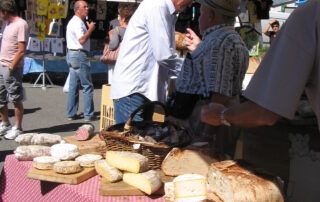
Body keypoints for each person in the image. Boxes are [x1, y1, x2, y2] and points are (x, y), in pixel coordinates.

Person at [200, 0, 320, 199]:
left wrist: (220, 115)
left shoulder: (309, 16)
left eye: (202, 13)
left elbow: (265, 111)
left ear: (212, 15)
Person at [171, 0, 248, 154]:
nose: (199, 18)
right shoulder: (226, 38)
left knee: (201, 169)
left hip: (207, 120)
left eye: (202, 13)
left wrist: (206, 137)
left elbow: (220, 95)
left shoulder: (221, 43)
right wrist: (200, 49)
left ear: (211, 15)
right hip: (211, 116)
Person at [111, 0, 193, 124]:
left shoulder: (165, 10)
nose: (191, 4)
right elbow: (163, 55)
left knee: (141, 138)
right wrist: (192, 70)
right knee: (132, 139)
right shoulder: (157, 6)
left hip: (143, 89)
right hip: (134, 90)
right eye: (190, 0)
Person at [0, 0, 28, 139]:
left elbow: (21, 50)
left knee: (15, 98)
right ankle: (5, 123)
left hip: (12, 67)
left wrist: (11, 66)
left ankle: (18, 127)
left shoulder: (21, 24)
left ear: (5, 12)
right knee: (1, 98)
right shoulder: (7, 24)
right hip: (2, 65)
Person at [66, 0, 95, 121]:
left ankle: (71, 113)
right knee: (87, 85)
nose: (87, 8)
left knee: (73, 85)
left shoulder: (75, 21)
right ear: (78, 9)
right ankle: (88, 114)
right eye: (85, 7)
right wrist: (91, 29)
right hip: (79, 54)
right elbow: (82, 40)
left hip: (72, 54)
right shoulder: (77, 23)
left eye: (87, 6)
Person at [106, 3, 136, 85]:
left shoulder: (118, 30)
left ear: (122, 18)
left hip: (121, 62)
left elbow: (112, 46)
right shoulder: (137, 30)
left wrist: (111, 35)